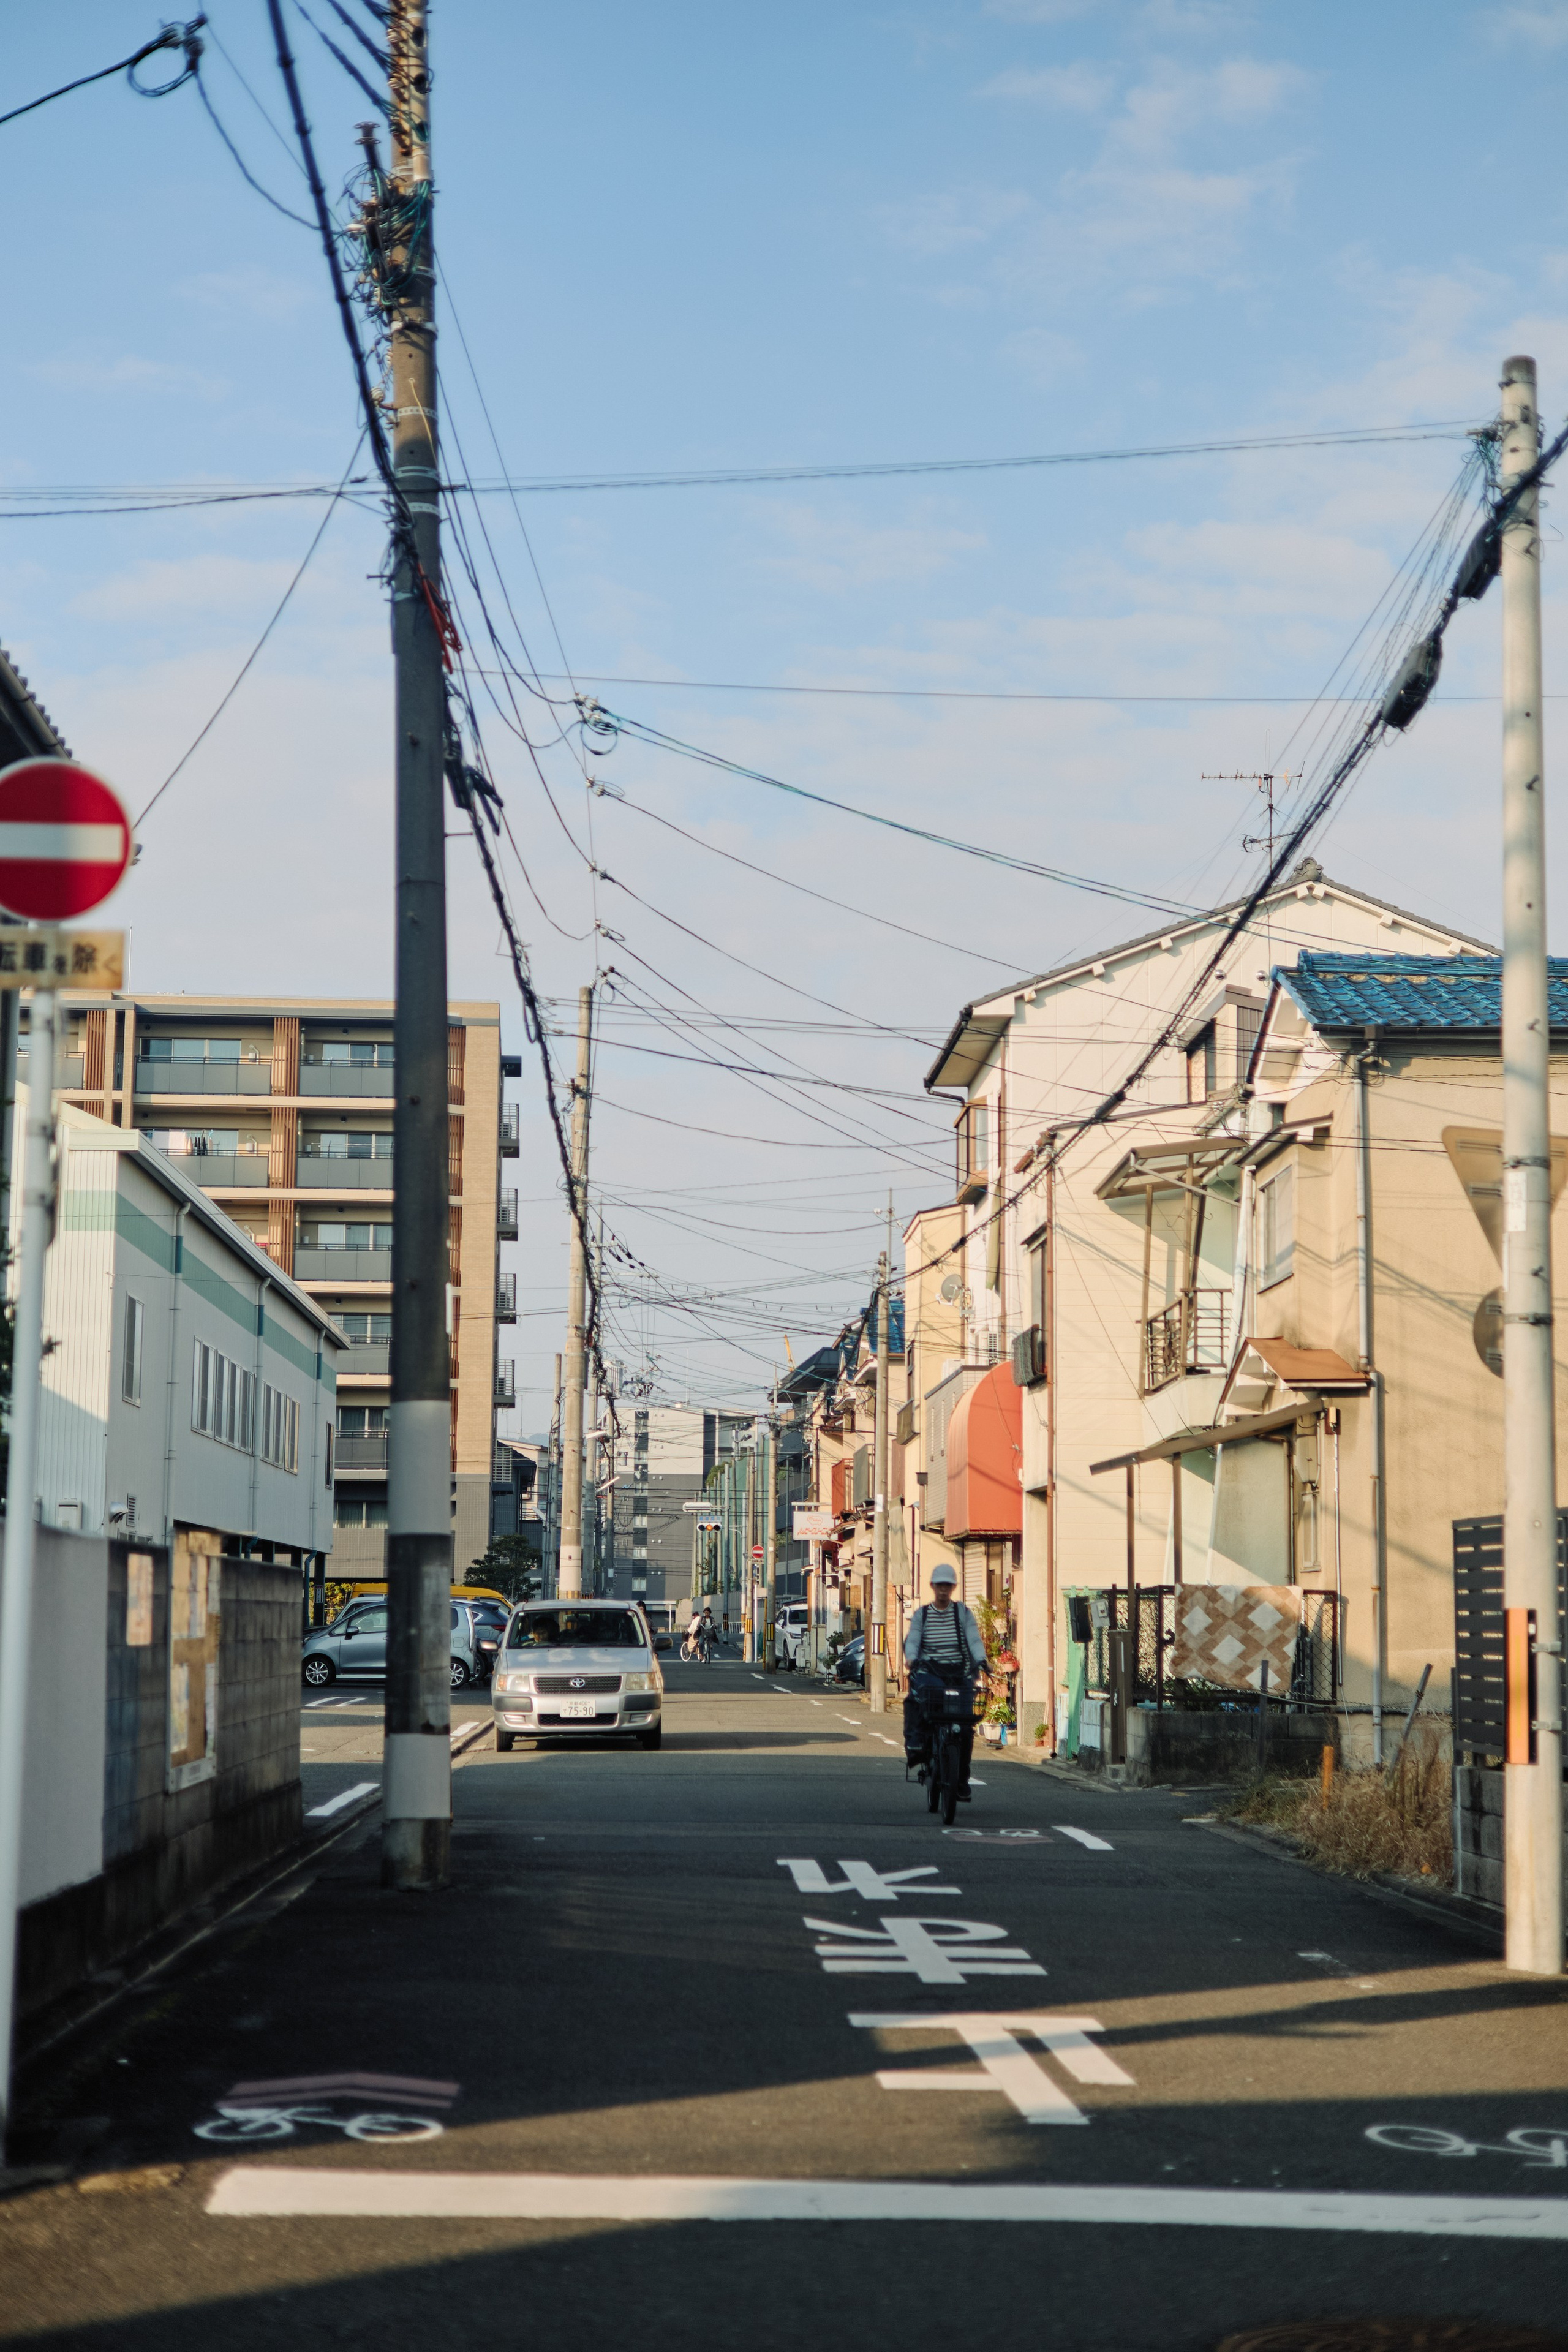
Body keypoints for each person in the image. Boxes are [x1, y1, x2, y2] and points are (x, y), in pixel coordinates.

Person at [903, 1563, 986, 1797]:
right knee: (920, 1700)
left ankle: (961, 1778)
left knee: (966, 1725)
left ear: (953, 1588)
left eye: (948, 1585)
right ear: (932, 1586)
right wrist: (911, 1658)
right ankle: (918, 1743)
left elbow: (974, 1639)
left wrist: (982, 1660)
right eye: (939, 1585)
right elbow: (914, 1639)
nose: (943, 1590)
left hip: (959, 1672)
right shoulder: (923, 1614)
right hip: (930, 1670)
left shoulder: (963, 1613)